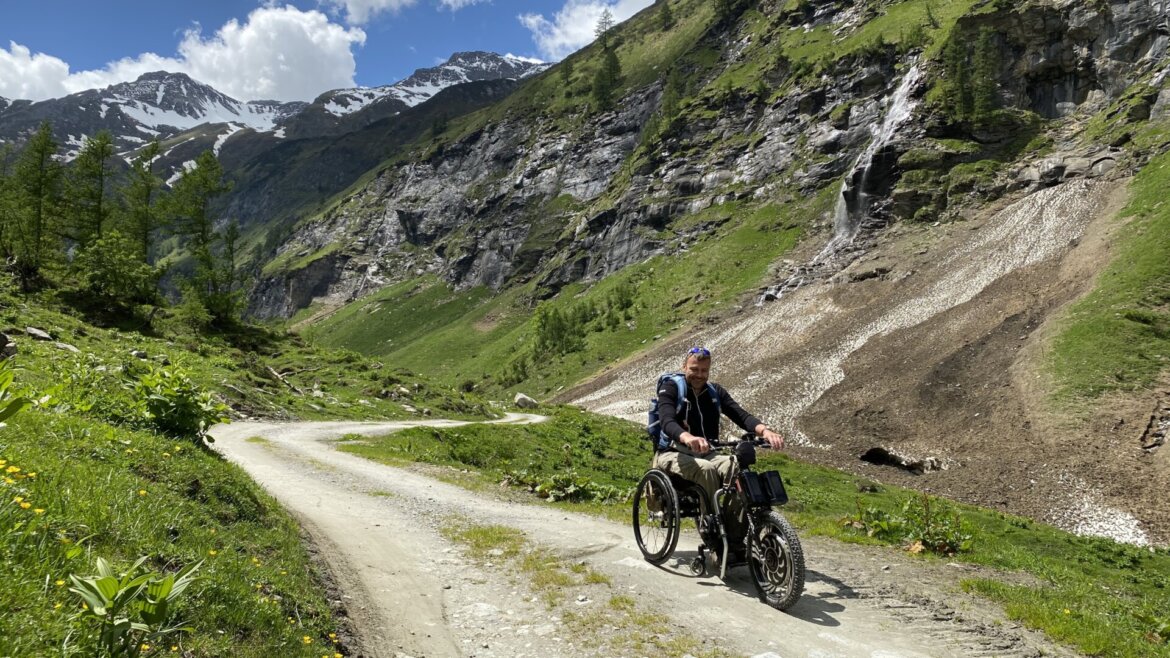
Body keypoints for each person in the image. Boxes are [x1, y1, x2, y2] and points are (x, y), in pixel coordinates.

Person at [654, 346, 784, 544]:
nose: (699, 375)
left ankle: (733, 531)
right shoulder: (671, 388)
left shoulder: (715, 392)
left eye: (704, 370)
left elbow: (740, 415)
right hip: (672, 452)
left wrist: (765, 431)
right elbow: (667, 420)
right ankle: (712, 530)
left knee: (735, 465)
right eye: (694, 369)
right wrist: (687, 437)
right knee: (706, 470)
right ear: (684, 367)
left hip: (708, 452)